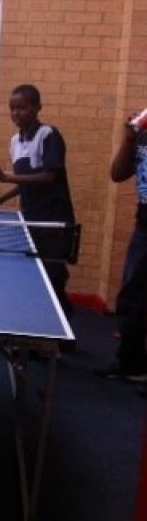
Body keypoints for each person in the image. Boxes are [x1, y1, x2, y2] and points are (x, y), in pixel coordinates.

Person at [0, 84, 76, 325]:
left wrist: (6, 177)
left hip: (54, 220)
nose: (16, 113)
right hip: (30, 218)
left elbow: (48, 177)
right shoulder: (15, 141)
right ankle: (38, 331)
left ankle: (61, 334)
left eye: (22, 108)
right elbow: (27, 183)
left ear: (37, 108)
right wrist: (1, 198)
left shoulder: (49, 135)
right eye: (12, 109)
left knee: (53, 277)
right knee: (35, 276)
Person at [96, 112, 147, 382]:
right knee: (131, 298)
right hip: (145, 227)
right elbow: (117, 174)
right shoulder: (141, 135)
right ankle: (132, 364)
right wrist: (129, 140)